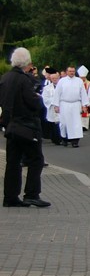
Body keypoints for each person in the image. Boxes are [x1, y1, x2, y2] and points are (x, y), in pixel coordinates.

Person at [1, 47, 50, 208]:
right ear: (27, 63)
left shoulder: (5, 78)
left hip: (11, 126)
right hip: (27, 125)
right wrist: (38, 100)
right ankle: (31, 194)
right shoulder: (25, 80)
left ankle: (10, 196)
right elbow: (33, 103)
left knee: (13, 162)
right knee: (36, 159)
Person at [54, 65, 90, 148]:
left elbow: (83, 93)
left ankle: (75, 141)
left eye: (73, 71)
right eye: (70, 71)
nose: (71, 73)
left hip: (76, 104)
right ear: (67, 72)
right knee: (64, 123)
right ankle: (64, 138)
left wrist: (84, 105)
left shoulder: (79, 81)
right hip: (64, 104)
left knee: (76, 123)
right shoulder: (62, 81)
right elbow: (57, 94)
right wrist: (56, 105)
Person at [41, 69, 61, 145]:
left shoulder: (62, 86)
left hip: (61, 107)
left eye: (56, 78)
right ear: (51, 79)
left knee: (61, 123)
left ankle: (62, 138)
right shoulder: (47, 88)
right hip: (52, 108)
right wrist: (54, 101)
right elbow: (45, 98)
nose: (55, 80)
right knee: (53, 124)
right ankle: (55, 139)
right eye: (53, 79)